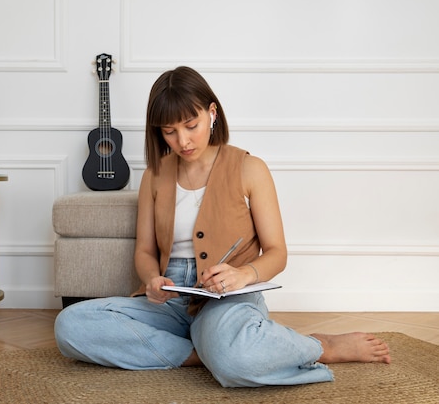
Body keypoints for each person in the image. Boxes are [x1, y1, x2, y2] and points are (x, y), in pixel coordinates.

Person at [54, 66, 390, 387]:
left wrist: (243, 274)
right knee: (70, 325)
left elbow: (277, 253)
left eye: (191, 125)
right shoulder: (155, 175)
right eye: (169, 131)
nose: (183, 140)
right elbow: (144, 251)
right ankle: (202, 354)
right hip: (169, 302)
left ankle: (318, 346)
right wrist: (152, 280)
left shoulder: (249, 168)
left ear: (212, 112)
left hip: (226, 299)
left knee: (237, 359)